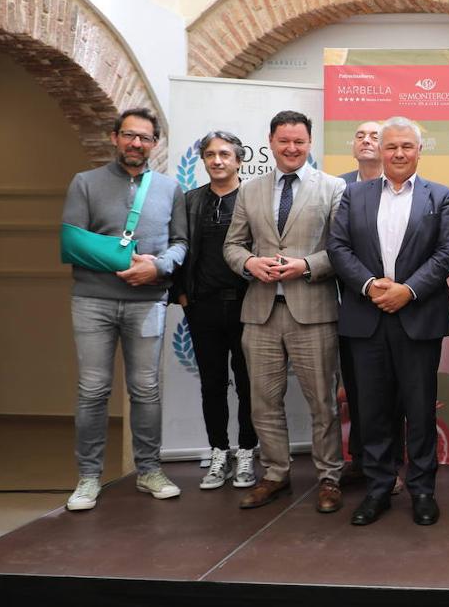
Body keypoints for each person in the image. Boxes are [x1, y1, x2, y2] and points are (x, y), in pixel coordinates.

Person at [328, 116, 449, 527]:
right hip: (365, 318)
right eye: (391, 147)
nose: (399, 153)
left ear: (420, 151)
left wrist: (408, 290)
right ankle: (379, 488)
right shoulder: (353, 195)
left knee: (419, 410)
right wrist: (370, 286)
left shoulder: (442, 197)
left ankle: (422, 490)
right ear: (380, 151)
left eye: (407, 146)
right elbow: (337, 246)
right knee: (372, 410)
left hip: (417, 317)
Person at [61, 108, 188, 511]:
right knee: (93, 390)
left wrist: (157, 266)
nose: (137, 144)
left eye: (145, 138)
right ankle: (88, 477)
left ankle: (149, 470)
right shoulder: (85, 183)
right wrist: (125, 265)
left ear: (154, 144)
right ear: (115, 137)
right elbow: (74, 244)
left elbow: (181, 243)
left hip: (148, 303)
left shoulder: (170, 188)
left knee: (146, 390)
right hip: (92, 302)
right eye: (129, 136)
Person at [223, 110, 347, 514]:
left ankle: (329, 477)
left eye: (299, 141)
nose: (291, 148)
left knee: (322, 403)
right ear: (271, 142)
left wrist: (306, 266)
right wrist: (248, 264)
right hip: (260, 312)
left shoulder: (333, 188)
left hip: (313, 311)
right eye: (283, 141)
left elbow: (342, 250)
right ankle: (275, 473)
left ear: (310, 143)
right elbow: (232, 245)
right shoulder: (250, 190)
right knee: (263, 401)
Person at [171, 131, 258, 491]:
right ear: (203, 161)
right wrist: (182, 295)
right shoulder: (190, 201)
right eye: (210, 154)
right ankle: (219, 451)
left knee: (249, 384)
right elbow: (177, 246)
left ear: (239, 160)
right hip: (202, 307)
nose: (217, 160)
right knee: (212, 384)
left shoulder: (253, 199)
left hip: (248, 306)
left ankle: (248, 452)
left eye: (225, 154)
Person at [337, 120, 402, 492]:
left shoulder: (411, 190)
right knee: (360, 390)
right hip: (354, 305)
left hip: (401, 306)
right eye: (359, 134)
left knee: (395, 393)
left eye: (375, 136)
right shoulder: (338, 188)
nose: (367, 140)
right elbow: (336, 245)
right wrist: (367, 285)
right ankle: (361, 460)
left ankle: (391, 466)